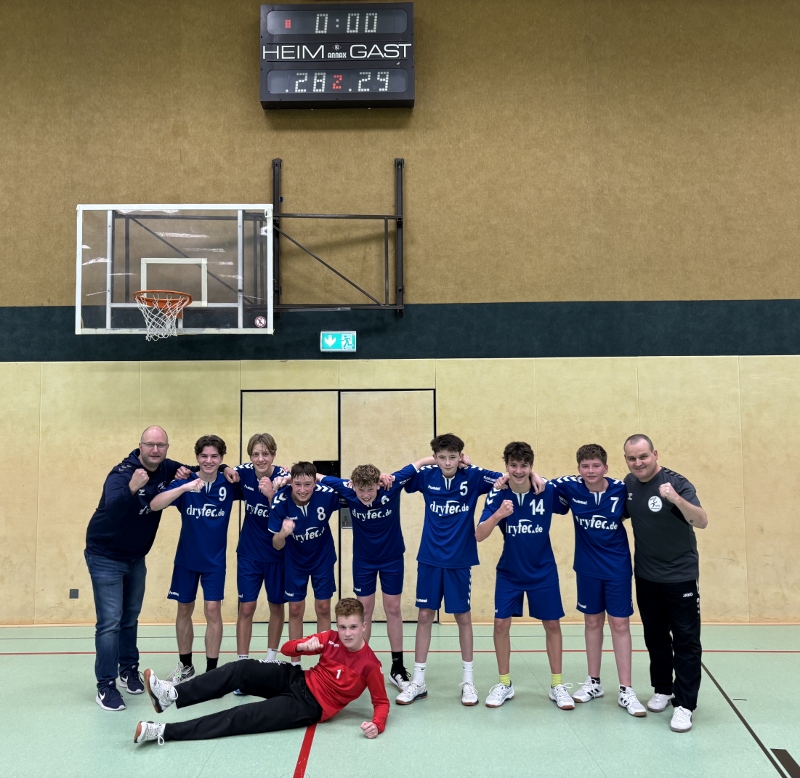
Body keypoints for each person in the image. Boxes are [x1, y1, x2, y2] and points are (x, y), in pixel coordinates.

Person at [133, 597, 389, 745]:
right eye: (342, 627)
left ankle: (162, 731)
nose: (346, 633)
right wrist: (301, 646)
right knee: (241, 669)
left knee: (242, 716)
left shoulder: (370, 665)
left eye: (353, 627)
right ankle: (171, 695)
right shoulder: (330, 637)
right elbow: (287, 649)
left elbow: (381, 702)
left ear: (364, 626)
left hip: (309, 706)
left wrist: (377, 724)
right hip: (297, 678)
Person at [84, 426, 193, 711]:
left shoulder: (166, 467)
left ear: (166, 448)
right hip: (105, 555)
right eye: (150, 445)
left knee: (130, 618)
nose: (155, 450)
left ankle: (128, 670)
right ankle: (105, 686)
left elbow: (198, 468)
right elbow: (113, 511)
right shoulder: (121, 474)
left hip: (135, 557)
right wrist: (132, 488)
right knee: (110, 623)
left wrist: (226, 469)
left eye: (161, 445)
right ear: (140, 446)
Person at [396, 433, 503, 707]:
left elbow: (504, 478)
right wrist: (424, 461)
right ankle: (418, 681)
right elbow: (399, 479)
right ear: (435, 457)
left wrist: (472, 464)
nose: (447, 463)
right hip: (430, 557)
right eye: (441, 457)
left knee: (462, 617)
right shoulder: (427, 475)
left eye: (452, 457)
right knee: (424, 615)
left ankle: (468, 681)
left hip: (459, 559)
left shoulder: (472, 476)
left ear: (460, 456)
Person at [317, 457, 433, 689]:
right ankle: (360, 667)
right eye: (361, 490)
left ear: (378, 484)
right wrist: (286, 476)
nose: (366, 495)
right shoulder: (347, 489)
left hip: (392, 559)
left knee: (393, 609)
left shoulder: (392, 484)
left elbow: (418, 464)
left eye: (370, 489)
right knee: (364, 612)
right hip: (363, 562)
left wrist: (459, 459)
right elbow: (317, 477)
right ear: (353, 486)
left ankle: (397, 668)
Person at [550, 444, 647, 717]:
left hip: (617, 568)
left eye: (596, 465)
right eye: (585, 466)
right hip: (587, 568)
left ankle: (626, 689)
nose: (590, 471)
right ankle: (593, 682)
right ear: (578, 469)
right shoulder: (570, 487)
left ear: (606, 467)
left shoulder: (621, 489)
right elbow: (538, 482)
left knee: (619, 624)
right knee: (592, 622)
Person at [476, 441, 574, 710]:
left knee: (552, 624)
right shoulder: (497, 494)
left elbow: (568, 501)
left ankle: (557, 685)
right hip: (510, 572)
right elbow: (479, 535)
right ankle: (504, 684)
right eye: (513, 465)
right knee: (500, 624)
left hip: (543, 570)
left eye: (524, 465)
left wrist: (539, 478)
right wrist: (499, 515)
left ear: (531, 466)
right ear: (506, 466)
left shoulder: (546, 490)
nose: (518, 470)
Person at [623, 434, 708, 734]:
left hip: (680, 576)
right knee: (655, 636)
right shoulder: (629, 484)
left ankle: (685, 705)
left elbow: (701, 520)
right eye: (632, 458)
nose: (638, 463)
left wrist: (676, 499)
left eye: (643, 456)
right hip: (647, 576)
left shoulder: (677, 483)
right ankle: (663, 688)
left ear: (655, 454)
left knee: (686, 641)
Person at [149, 434, 244, 684]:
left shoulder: (229, 482)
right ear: (197, 457)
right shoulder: (186, 480)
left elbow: (257, 474)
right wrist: (183, 487)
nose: (208, 461)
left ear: (221, 458)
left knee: (212, 610)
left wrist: (228, 469)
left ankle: (212, 672)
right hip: (186, 559)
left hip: (214, 562)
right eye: (204, 456)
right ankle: (186, 665)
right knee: (184, 609)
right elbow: (155, 504)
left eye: (214, 456)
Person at [268, 462, 342, 646]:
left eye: (308, 484)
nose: (302, 490)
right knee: (295, 609)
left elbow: (350, 487)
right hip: (295, 561)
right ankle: (296, 658)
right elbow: (276, 545)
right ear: (291, 483)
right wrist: (283, 533)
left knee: (323, 607)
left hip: (322, 558)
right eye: (298, 484)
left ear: (315, 483)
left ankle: (324, 657)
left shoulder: (327, 494)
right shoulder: (280, 501)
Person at [234, 433, 289, 675]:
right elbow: (222, 469)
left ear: (273, 455)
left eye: (265, 453)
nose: (260, 458)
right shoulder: (244, 473)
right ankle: (242, 665)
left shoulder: (284, 479)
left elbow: (287, 515)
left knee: (276, 606)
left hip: (277, 554)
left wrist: (271, 495)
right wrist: (225, 469)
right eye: (255, 454)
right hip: (249, 553)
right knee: (246, 607)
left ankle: (270, 660)